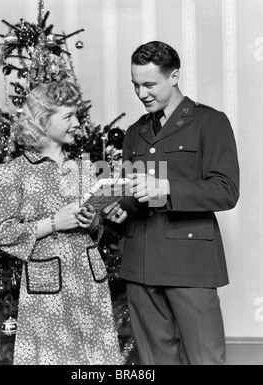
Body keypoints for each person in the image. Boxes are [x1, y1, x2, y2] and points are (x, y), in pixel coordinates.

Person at [105, 41, 240, 365]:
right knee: (155, 362)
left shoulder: (210, 122)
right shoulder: (135, 132)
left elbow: (225, 190)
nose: (141, 93)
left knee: (205, 359)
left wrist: (164, 188)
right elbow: (132, 193)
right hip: (140, 264)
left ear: (174, 75)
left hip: (190, 264)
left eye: (150, 84)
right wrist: (117, 208)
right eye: (136, 85)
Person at [0, 81, 123, 365]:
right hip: (46, 291)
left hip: (89, 283)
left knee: (95, 360)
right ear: (42, 121)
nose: (77, 123)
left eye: (76, 116)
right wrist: (54, 222)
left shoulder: (86, 169)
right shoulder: (13, 172)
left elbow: (99, 231)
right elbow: (1, 233)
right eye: (68, 117)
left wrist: (91, 223)